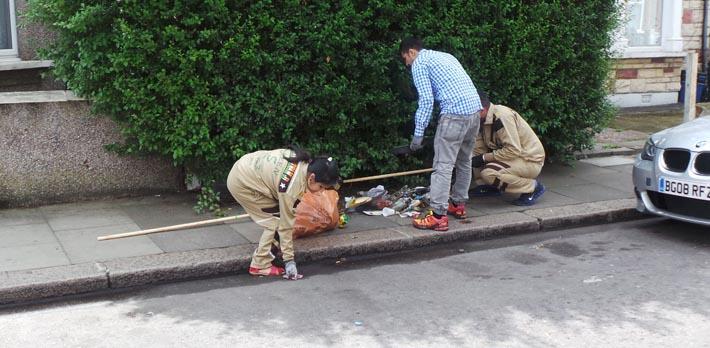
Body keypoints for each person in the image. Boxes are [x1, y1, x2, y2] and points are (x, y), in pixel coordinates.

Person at [399, 37, 482, 231]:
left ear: (411, 52)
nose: (407, 64)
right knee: (464, 160)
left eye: (405, 59)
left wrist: (417, 135)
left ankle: (437, 216)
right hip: (474, 112)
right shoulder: (446, 56)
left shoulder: (419, 63)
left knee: (443, 166)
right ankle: (458, 205)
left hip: (454, 114)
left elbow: (426, 100)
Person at [227, 147, 340, 279]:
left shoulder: (300, 160)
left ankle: (270, 253)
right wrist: (289, 261)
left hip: (245, 166)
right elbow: (286, 226)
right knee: (274, 221)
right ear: (312, 178)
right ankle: (259, 265)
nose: (321, 191)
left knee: (278, 217)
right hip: (243, 183)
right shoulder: (291, 187)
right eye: (321, 187)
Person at [471, 91, 546, 206]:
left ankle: (532, 187)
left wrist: (483, 158)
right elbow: (479, 146)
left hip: (529, 160)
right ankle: (490, 186)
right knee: (473, 152)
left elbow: (513, 150)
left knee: (489, 173)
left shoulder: (502, 117)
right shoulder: (483, 118)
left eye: (469, 109)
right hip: (514, 157)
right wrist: (473, 159)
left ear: (482, 109)